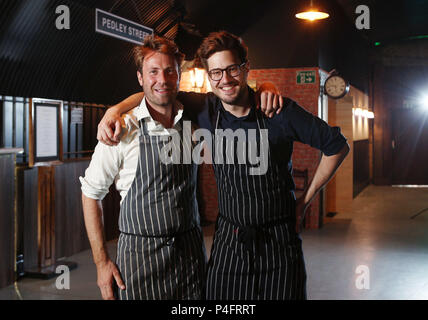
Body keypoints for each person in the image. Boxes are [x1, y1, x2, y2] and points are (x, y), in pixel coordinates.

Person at [97, 31, 350, 300]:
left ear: (246, 68)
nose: (225, 79)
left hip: (279, 242)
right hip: (230, 242)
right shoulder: (206, 109)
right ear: (208, 77)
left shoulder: (279, 111)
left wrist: (304, 202)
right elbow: (158, 93)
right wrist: (115, 109)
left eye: (232, 69)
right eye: (216, 72)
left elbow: (336, 145)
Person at [80, 35, 207, 300]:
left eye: (170, 71)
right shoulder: (122, 129)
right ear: (140, 78)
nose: (162, 79)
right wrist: (102, 263)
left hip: (190, 259)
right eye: (153, 72)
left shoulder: (194, 121)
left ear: (179, 76)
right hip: (139, 263)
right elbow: (91, 194)